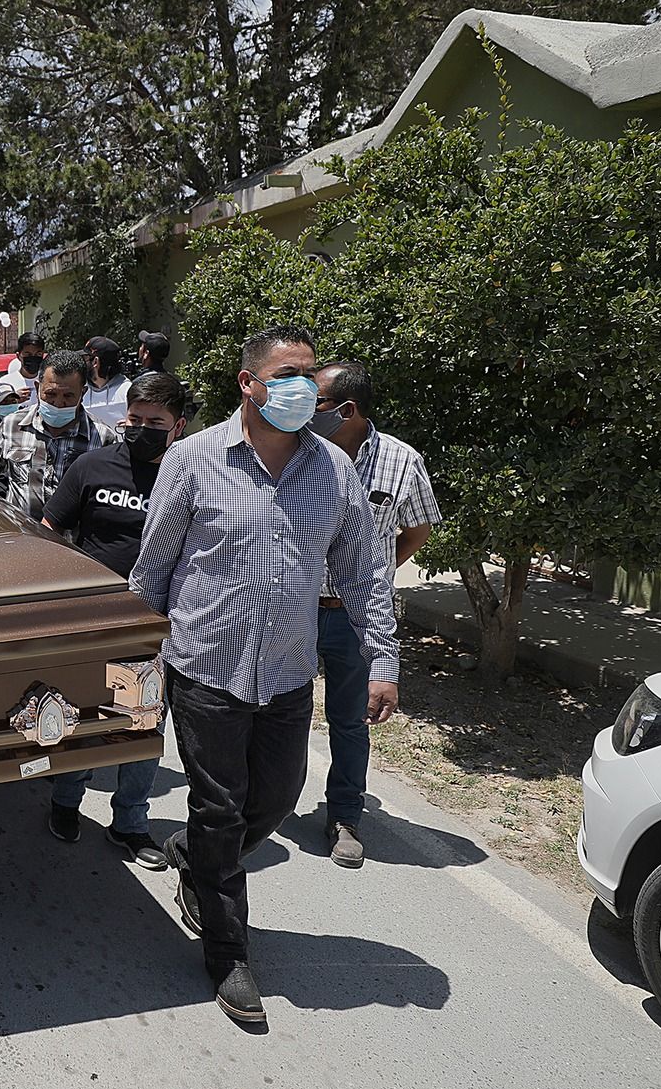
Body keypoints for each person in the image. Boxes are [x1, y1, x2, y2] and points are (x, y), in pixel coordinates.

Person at [128, 325, 397, 1028]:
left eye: (309, 374)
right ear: (248, 384)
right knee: (220, 806)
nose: (302, 387)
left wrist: (383, 659)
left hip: (284, 674)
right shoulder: (191, 460)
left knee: (275, 799)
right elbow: (152, 570)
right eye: (286, 373)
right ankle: (228, 949)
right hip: (204, 666)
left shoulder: (333, 472)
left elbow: (364, 574)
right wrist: (136, 663)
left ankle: (197, 856)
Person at [41, 372, 191, 869]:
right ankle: (66, 804)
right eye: (135, 419)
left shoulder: (189, 477)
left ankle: (130, 823)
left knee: (142, 726)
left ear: (178, 426)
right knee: (78, 717)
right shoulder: (93, 465)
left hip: (156, 625)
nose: (142, 429)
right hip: (91, 618)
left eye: (156, 422)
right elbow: (49, 530)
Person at [309, 361, 440, 868]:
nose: (301, 409)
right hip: (295, 607)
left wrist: (373, 574)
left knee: (349, 721)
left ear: (347, 409)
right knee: (277, 713)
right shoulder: (297, 454)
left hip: (355, 618)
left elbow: (417, 528)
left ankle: (345, 817)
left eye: (313, 401)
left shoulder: (401, 462)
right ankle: (260, 806)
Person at [0, 349, 112, 519]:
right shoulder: (13, 425)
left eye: (68, 396)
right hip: (20, 538)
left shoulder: (103, 439)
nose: (58, 403)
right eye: (50, 394)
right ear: (38, 388)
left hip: (72, 544)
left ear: (82, 394)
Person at [82, 336, 131, 428]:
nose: (82, 364)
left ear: (95, 362)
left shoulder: (128, 391)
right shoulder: (81, 391)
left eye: (85, 359)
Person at [10, 331, 47, 397]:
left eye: (38, 354)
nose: (33, 358)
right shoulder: (7, 383)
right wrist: (13, 399)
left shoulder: (49, 381)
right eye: (28, 354)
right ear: (18, 356)